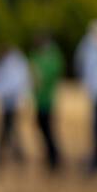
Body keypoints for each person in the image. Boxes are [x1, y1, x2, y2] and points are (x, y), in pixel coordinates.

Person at [0, 44, 31, 165]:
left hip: (13, 101)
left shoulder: (15, 63)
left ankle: (3, 153)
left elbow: (16, 83)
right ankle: (12, 153)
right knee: (8, 128)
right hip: (6, 102)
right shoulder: (4, 63)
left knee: (8, 128)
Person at [28, 33, 64, 171]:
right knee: (43, 127)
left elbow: (42, 76)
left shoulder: (52, 57)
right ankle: (51, 155)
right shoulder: (39, 56)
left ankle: (54, 156)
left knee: (48, 129)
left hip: (47, 100)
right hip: (40, 99)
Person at [75, 18, 97, 173]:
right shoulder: (89, 47)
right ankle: (96, 158)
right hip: (96, 93)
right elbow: (81, 64)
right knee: (95, 128)